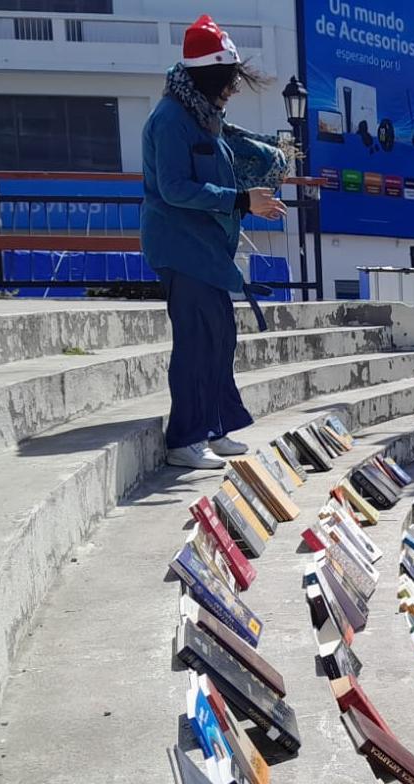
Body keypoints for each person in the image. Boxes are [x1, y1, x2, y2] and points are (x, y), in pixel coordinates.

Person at [142, 15, 287, 470]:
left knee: (220, 338)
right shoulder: (170, 121)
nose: (234, 89)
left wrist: (249, 196)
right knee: (197, 341)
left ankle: (214, 427)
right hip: (181, 249)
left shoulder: (205, 118)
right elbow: (174, 189)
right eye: (228, 80)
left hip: (206, 251)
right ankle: (184, 438)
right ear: (207, 77)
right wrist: (243, 200)